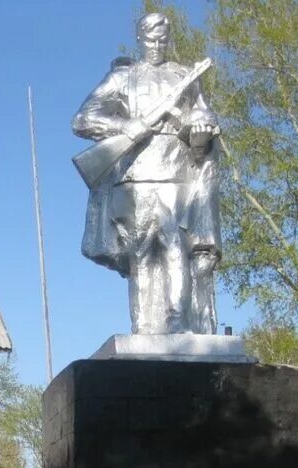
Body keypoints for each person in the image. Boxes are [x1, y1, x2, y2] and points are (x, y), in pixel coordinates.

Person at [73, 12, 220, 335]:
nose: (157, 45)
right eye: (150, 39)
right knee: (139, 254)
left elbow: (203, 114)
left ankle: (178, 327)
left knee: (175, 249)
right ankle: (144, 328)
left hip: (175, 173)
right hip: (135, 176)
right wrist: (126, 125)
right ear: (139, 39)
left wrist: (200, 125)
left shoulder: (185, 76)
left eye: (163, 39)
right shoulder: (122, 78)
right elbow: (83, 120)